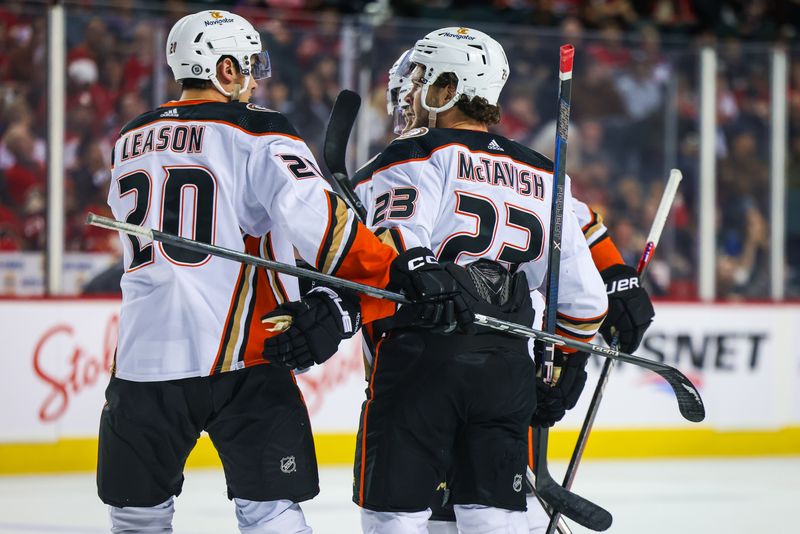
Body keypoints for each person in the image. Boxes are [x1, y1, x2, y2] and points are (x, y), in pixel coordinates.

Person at [99, 11, 470, 534]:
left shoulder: (128, 139)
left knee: (135, 514)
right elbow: (324, 228)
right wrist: (398, 274)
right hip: (244, 355)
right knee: (268, 510)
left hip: (141, 359)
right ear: (225, 68)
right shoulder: (256, 130)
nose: (254, 78)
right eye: (248, 65)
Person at [352, 41, 654, 534]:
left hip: (419, 361)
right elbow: (584, 301)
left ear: (450, 89)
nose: (409, 91)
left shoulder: (413, 155)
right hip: (507, 371)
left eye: (422, 79)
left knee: (395, 517)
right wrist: (568, 362)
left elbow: (400, 246)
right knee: (493, 519)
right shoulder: (543, 173)